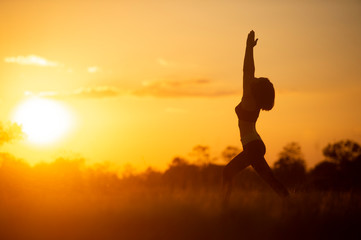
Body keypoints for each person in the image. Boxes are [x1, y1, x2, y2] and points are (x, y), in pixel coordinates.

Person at [222, 30, 289, 206]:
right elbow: (250, 73)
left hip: (253, 147)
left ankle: (224, 206)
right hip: (255, 145)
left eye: (257, 79)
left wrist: (248, 47)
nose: (255, 78)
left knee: (228, 172)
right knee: (269, 179)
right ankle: (290, 202)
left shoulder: (249, 99)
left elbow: (247, 70)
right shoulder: (254, 103)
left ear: (256, 88)